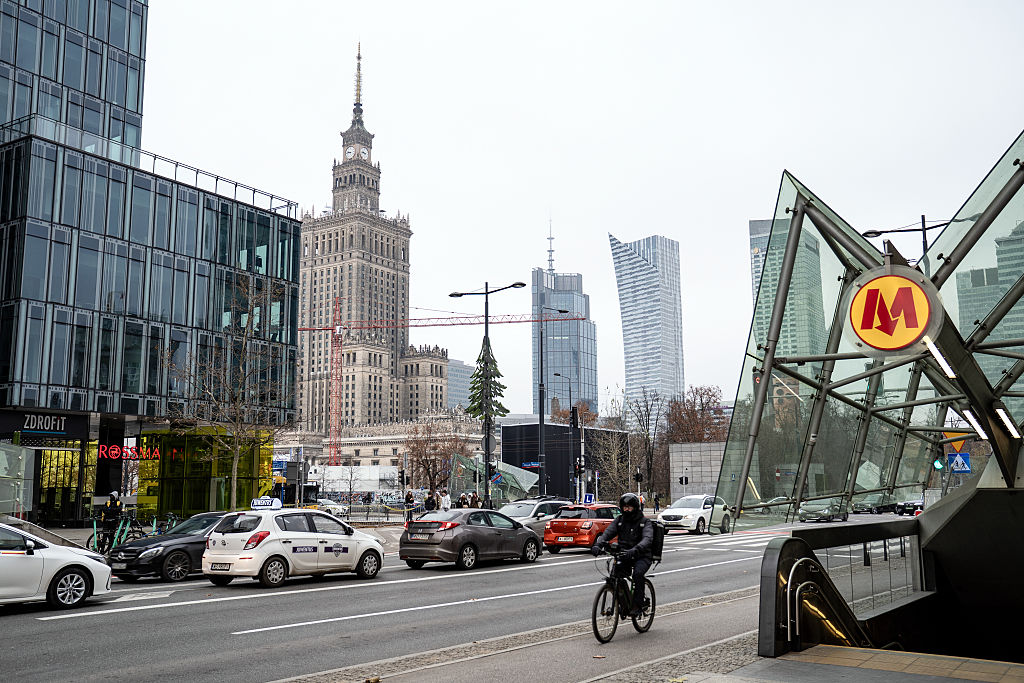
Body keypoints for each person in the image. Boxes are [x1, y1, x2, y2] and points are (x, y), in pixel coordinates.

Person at [590, 493, 653, 617]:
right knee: (614, 577)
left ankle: (637, 605)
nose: (627, 510)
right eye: (624, 507)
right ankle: (623, 603)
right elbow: (608, 533)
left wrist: (636, 549)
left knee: (637, 574)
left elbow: (647, 538)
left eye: (629, 507)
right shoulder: (619, 521)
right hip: (624, 555)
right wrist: (598, 545)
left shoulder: (645, 522)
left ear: (635, 507)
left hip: (641, 555)